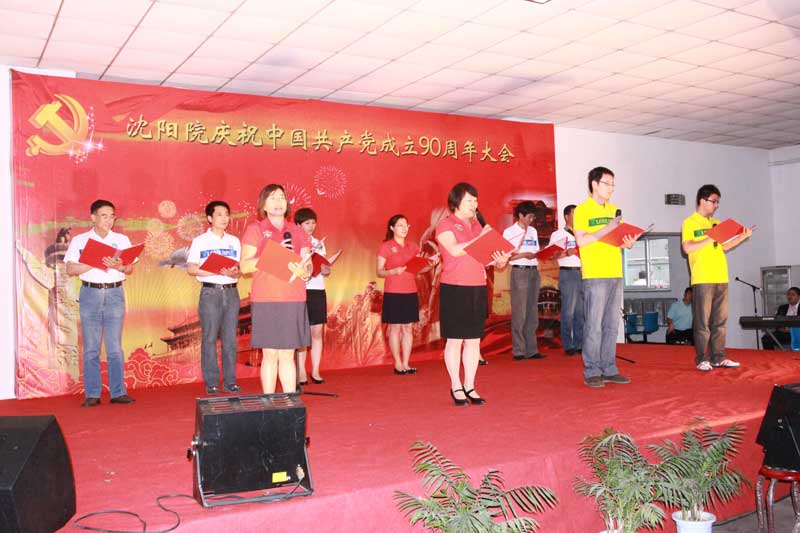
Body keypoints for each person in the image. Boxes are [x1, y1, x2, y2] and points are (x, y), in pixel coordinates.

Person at [436, 183, 510, 406]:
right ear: (456, 202)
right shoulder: (445, 224)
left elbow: (487, 259)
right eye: (469, 200)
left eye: (476, 200)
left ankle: (470, 385)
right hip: (455, 287)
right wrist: (482, 238)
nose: (474, 204)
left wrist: (500, 260)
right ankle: (456, 385)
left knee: (473, 340)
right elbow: (455, 249)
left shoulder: (478, 225)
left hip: (477, 286)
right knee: (455, 339)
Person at [64, 199, 136, 407]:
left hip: (114, 293)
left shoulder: (121, 239)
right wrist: (93, 262)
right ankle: (92, 393)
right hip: (90, 294)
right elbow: (70, 269)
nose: (109, 220)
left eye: (112, 216)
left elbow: (130, 268)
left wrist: (119, 266)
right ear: (93, 217)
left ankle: (118, 392)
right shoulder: (80, 240)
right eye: (104, 216)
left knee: (115, 347)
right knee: (91, 347)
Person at [241, 184, 312, 393]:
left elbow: (308, 264)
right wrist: (272, 254)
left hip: (293, 297)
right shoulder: (255, 230)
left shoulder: (297, 231)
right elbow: (244, 266)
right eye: (272, 198)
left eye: (281, 197)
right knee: (270, 354)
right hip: (267, 298)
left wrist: (305, 270)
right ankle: (269, 402)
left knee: (288, 354)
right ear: (263, 205)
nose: (278, 202)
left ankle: (289, 403)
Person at [574, 167, 638, 388]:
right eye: (607, 183)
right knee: (594, 326)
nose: (611, 188)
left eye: (613, 184)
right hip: (595, 274)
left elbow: (617, 239)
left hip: (615, 273)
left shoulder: (614, 210)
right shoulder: (582, 210)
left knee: (611, 325)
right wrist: (607, 228)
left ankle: (609, 368)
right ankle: (592, 370)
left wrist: (627, 242)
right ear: (594, 184)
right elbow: (581, 241)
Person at [682, 184, 752, 371]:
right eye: (713, 201)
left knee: (720, 321)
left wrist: (742, 237)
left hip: (721, 277)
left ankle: (718, 357)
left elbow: (725, 246)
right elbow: (687, 248)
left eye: (717, 202)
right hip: (702, 278)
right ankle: (701, 359)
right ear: (702, 200)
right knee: (702, 322)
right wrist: (710, 238)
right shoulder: (690, 222)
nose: (716, 205)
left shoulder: (716, 222)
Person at [186, 200, 242, 395]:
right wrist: (214, 270)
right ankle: (211, 382)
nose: (224, 218)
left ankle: (230, 381)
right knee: (209, 338)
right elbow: (191, 268)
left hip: (231, 292)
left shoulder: (234, 241)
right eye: (219, 214)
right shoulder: (200, 241)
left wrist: (234, 272)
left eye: (227, 214)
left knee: (230, 339)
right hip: (210, 292)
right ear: (210, 218)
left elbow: (239, 270)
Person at [378, 214, 423, 375]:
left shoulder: (414, 247)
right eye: (400, 225)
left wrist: (430, 264)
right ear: (392, 228)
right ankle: (397, 363)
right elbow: (379, 271)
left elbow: (420, 268)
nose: (404, 228)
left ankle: (406, 363)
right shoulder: (386, 246)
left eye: (406, 225)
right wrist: (393, 271)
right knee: (395, 328)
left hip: (411, 291)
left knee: (408, 328)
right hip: (394, 292)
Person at [502, 201, 544, 361]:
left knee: (532, 310)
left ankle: (532, 349)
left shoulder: (533, 231)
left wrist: (539, 254)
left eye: (533, 217)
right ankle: (519, 350)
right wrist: (524, 255)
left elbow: (536, 250)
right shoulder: (509, 232)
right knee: (520, 311)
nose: (531, 220)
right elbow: (506, 256)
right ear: (520, 215)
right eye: (529, 217)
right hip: (519, 271)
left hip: (534, 271)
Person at [294, 207, 329, 384]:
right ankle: (300, 371)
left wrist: (325, 269)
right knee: (302, 333)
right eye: (307, 223)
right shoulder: (293, 242)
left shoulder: (319, 243)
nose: (311, 226)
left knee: (317, 332)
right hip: (300, 290)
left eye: (313, 223)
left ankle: (315, 371)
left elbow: (326, 270)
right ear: (298, 224)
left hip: (317, 289)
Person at [550, 204, 583, 355]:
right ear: (567, 217)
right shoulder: (558, 234)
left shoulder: (582, 233)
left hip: (582, 273)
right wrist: (566, 253)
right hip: (567, 273)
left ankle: (579, 343)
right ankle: (568, 345)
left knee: (580, 312)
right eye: (575, 214)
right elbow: (552, 256)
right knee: (568, 311)